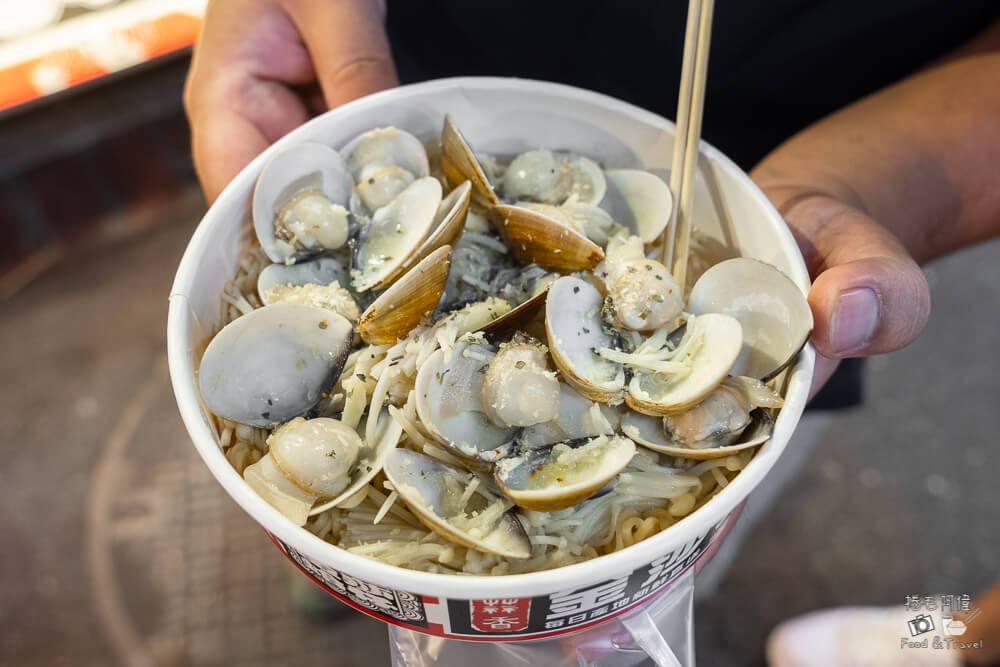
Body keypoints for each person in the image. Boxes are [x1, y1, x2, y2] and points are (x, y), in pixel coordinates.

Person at [183, 1, 1000, 664]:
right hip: (425, 85)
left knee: (640, 579)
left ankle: (635, 605)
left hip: (780, 150)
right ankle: (353, 548)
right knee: (367, 555)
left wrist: (851, 184)